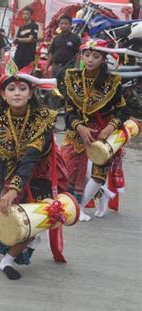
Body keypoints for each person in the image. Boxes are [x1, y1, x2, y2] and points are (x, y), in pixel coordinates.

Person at [0, 61, 67, 280]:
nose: (17, 93)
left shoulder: (43, 119)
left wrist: (14, 189)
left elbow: (31, 157)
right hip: (11, 170)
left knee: (43, 215)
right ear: (3, 94)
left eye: (22, 89)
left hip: (40, 171)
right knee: (7, 218)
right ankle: (24, 244)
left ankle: (7, 261)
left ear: (31, 94)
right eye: (11, 89)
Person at [60, 39, 130, 222]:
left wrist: (110, 127)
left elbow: (124, 110)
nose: (90, 59)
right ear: (81, 56)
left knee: (98, 174)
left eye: (96, 56)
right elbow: (68, 110)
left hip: (102, 133)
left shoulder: (112, 82)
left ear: (103, 59)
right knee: (68, 169)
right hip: (78, 131)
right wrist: (79, 127)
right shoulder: (71, 77)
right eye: (87, 55)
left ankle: (80, 207)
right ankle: (101, 196)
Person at [45, 16, 81, 113]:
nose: (63, 25)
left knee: (67, 88)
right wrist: (47, 67)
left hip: (68, 67)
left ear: (70, 25)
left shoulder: (75, 38)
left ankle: (66, 108)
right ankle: (53, 109)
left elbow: (78, 54)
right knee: (53, 87)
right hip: (56, 66)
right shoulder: (56, 38)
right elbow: (51, 53)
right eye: (61, 23)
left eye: (66, 23)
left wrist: (76, 68)